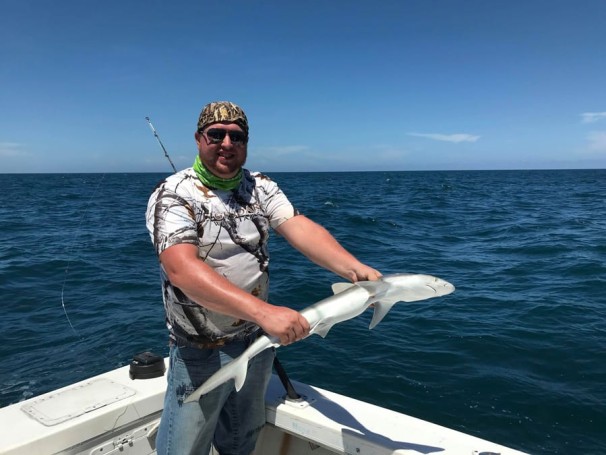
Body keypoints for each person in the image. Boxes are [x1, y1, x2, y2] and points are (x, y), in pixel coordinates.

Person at [146, 101, 381, 455]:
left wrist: (353, 268)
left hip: (257, 341)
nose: (227, 143)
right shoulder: (174, 194)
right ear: (199, 139)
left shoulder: (260, 186)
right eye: (217, 134)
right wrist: (264, 312)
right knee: (183, 448)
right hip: (198, 347)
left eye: (237, 136)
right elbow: (181, 269)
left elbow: (297, 226)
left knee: (242, 438)